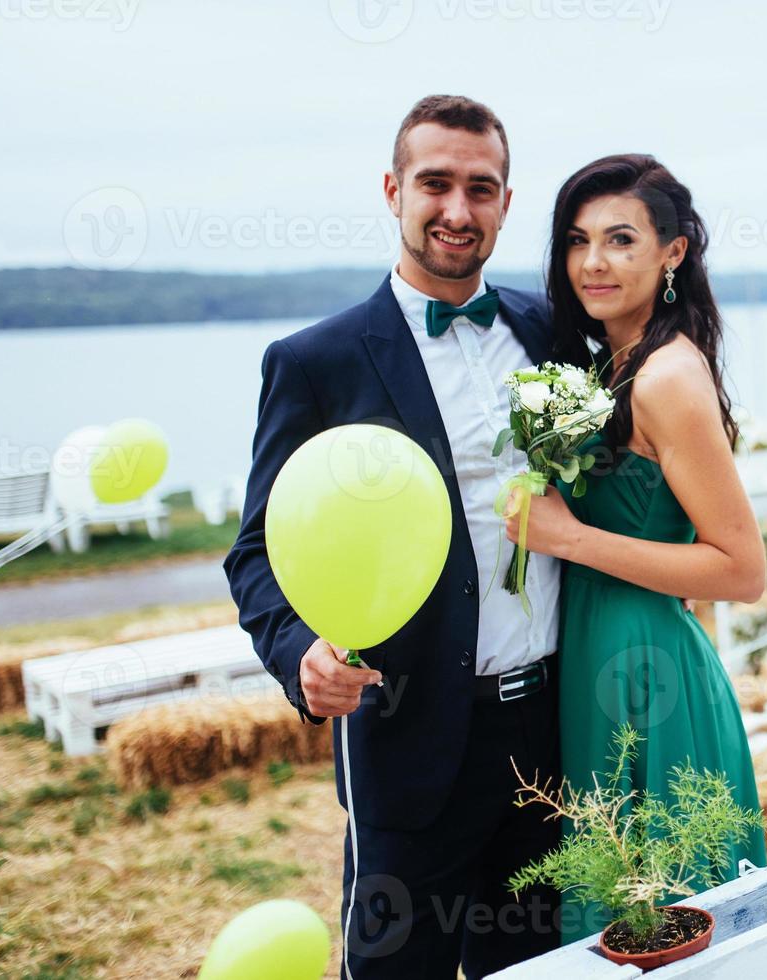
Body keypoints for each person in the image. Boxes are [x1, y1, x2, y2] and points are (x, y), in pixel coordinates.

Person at [224, 94, 563, 978]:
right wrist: (297, 650)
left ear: (505, 201)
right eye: (436, 183)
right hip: (410, 741)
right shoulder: (317, 362)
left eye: (480, 188)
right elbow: (255, 549)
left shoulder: (551, 332)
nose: (458, 210)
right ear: (392, 189)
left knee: (538, 968)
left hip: (553, 733)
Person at [503, 153, 767, 941]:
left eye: (621, 240)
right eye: (577, 241)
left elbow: (742, 568)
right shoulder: (614, 365)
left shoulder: (665, 377)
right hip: (598, 655)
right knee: (625, 912)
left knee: (665, 915)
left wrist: (570, 536)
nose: (593, 262)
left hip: (649, 674)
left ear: (673, 252)